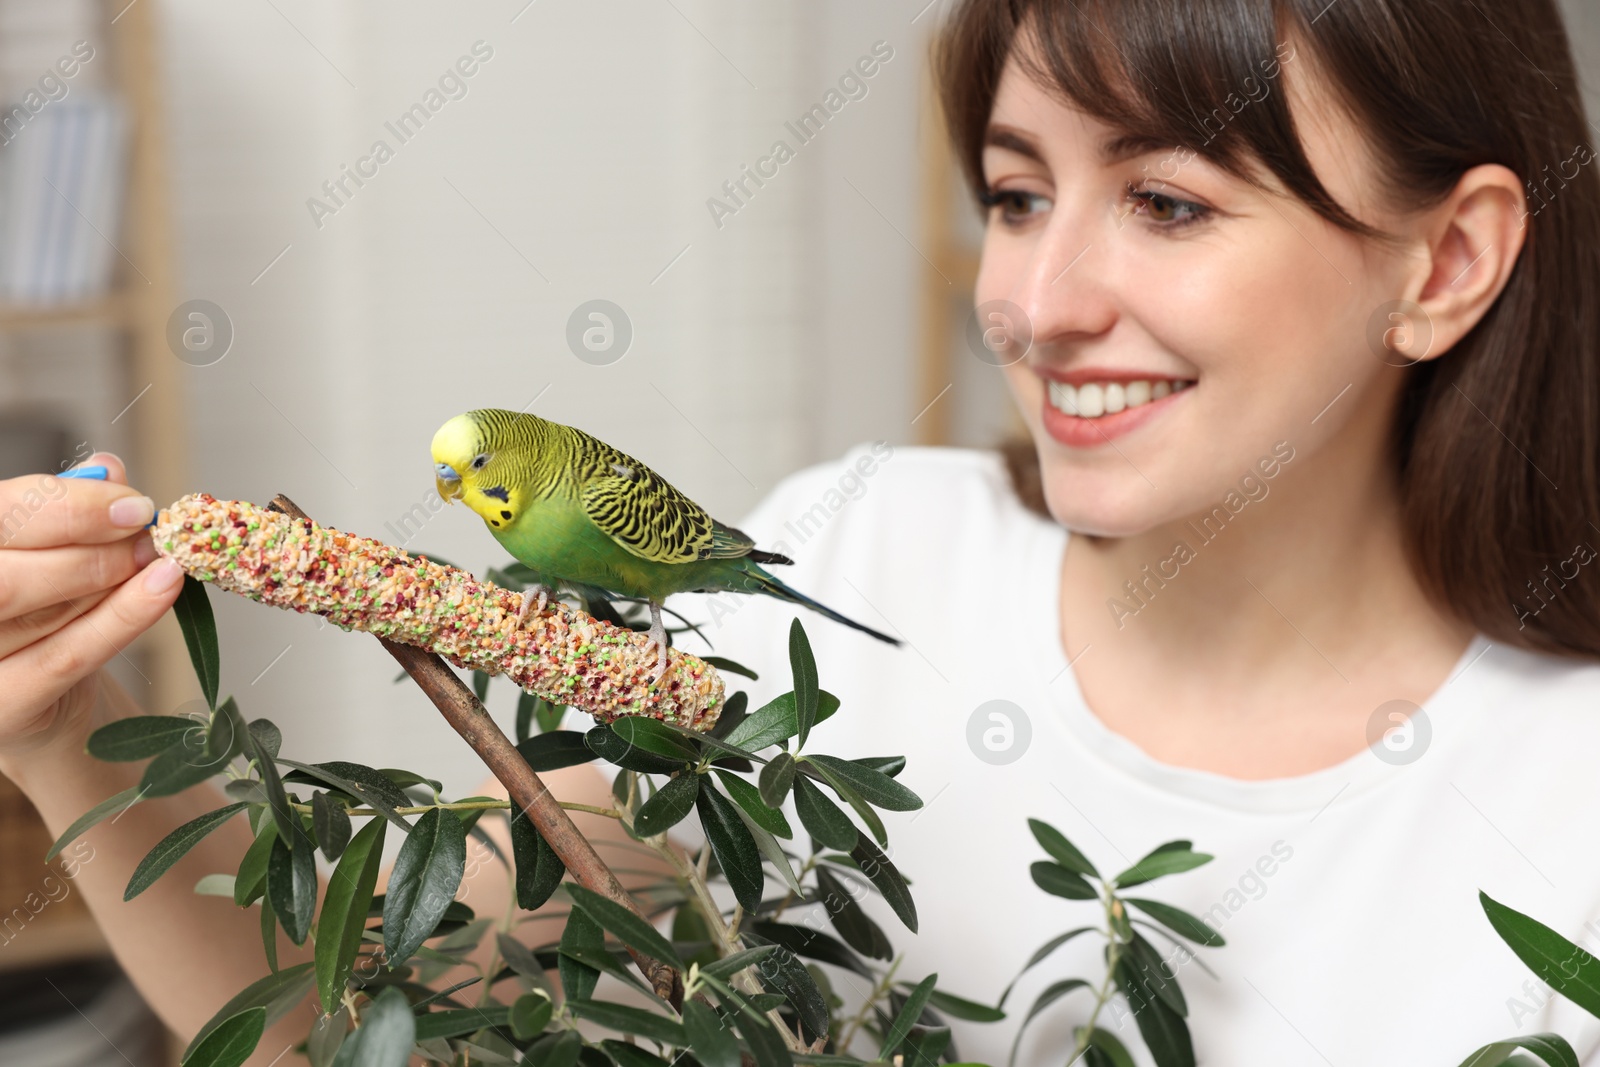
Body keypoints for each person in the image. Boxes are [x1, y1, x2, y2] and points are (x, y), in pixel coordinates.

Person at [5, 0, 1600, 1062]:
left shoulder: (1567, 788)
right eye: (1018, 194)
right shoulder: (850, 567)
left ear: (1445, 263)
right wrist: (70, 737)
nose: (1034, 308)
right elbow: (342, 1011)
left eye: (1169, 204)